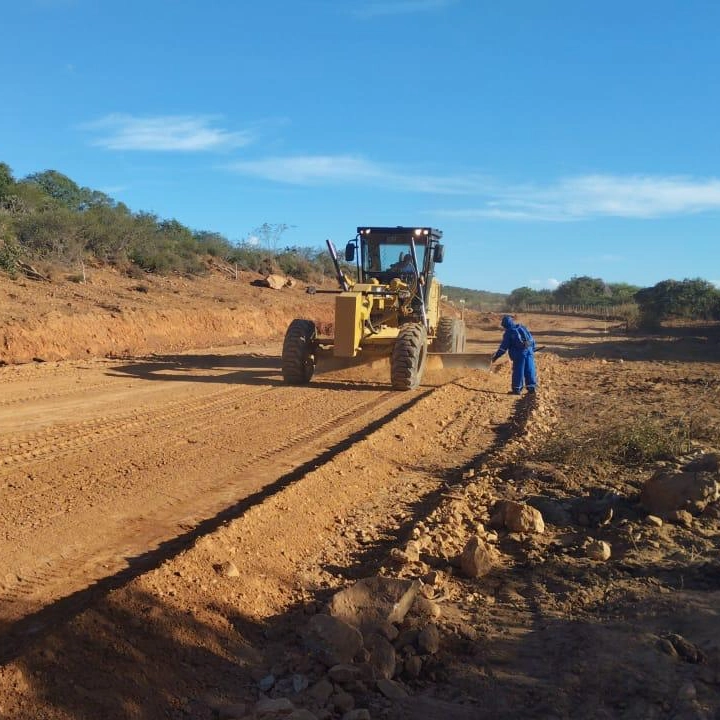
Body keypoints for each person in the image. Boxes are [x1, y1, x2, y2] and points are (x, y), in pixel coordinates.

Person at [491, 314, 537, 395]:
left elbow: (503, 348)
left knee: (518, 370)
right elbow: (532, 340)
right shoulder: (522, 327)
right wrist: (532, 349)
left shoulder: (509, 332)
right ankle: (531, 388)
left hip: (519, 354)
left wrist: (496, 356)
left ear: (505, 325)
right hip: (529, 352)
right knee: (530, 369)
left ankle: (516, 389)